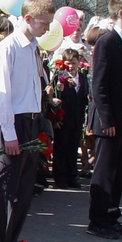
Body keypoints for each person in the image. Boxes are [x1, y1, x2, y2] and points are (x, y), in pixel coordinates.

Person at [0, 0, 55, 242]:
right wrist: (9, 133)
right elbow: (1, 94)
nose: (47, 28)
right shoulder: (8, 47)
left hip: (30, 121)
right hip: (12, 123)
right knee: (5, 189)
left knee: (24, 190)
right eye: (44, 22)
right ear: (28, 19)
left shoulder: (33, 47)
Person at [85, 0, 122, 240]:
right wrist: (106, 120)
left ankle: (111, 215)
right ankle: (97, 220)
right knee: (104, 171)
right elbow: (99, 85)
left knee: (119, 170)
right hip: (108, 121)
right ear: (121, 13)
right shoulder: (107, 41)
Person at [53, 48, 89, 190]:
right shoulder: (60, 77)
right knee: (61, 148)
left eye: (74, 63)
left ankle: (72, 176)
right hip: (63, 119)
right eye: (68, 63)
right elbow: (56, 98)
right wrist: (56, 118)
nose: (71, 66)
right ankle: (59, 177)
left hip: (76, 118)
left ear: (79, 62)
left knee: (73, 148)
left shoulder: (83, 78)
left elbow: (84, 98)